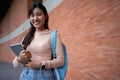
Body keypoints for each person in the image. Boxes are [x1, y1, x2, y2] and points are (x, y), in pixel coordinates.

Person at [12, 2, 64, 80]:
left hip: (44, 75)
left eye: (39, 14)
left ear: (46, 16)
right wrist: (20, 59)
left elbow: (61, 61)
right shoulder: (26, 37)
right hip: (25, 75)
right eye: (32, 15)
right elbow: (15, 64)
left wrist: (41, 64)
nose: (35, 18)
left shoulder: (54, 35)